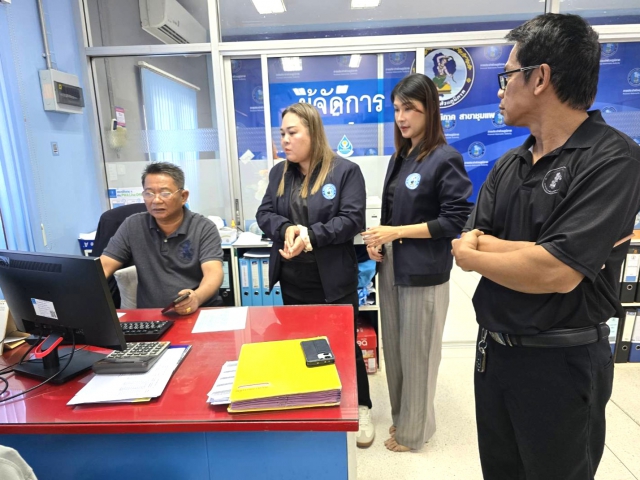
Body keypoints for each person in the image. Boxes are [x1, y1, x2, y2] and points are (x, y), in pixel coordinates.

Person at [451, 14, 640, 480]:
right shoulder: (508, 164)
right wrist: (536, 250)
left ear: (540, 78)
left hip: (561, 362)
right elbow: (474, 239)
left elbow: (555, 273)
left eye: (507, 76)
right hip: (494, 354)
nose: (500, 90)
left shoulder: (613, 158)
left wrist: (484, 253)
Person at [362, 73, 473, 452]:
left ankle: (414, 433)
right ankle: (403, 418)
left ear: (430, 110)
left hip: (424, 272)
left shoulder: (444, 158)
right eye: (396, 109)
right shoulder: (400, 156)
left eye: (409, 108)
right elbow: (392, 214)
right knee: (396, 353)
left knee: (419, 356)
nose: (401, 117)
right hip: (392, 266)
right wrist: (379, 243)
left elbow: (454, 220)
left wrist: (396, 232)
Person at [256, 102, 375, 448]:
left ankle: (361, 406)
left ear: (313, 132)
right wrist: (287, 228)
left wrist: (309, 236)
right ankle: (313, 402)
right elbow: (264, 214)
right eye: (282, 133)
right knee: (301, 343)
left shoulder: (345, 171)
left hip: (333, 279)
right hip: (292, 277)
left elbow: (351, 220)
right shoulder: (280, 174)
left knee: (344, 346)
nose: (285, 140)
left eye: (292, 132)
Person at [100, 162, 224, 314]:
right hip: (151, 315)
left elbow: (213, 273)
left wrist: (197, 297)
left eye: (165, 193)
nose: (156, 200)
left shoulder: (204, 227)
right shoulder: (132, 225)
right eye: (149, 193)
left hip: (198, 311)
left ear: (183, 196)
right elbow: (104, 266)